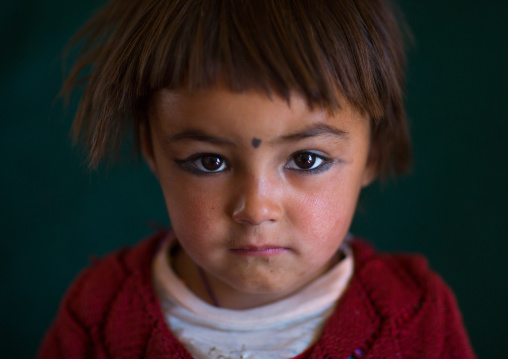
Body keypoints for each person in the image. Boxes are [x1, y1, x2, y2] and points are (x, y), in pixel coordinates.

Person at [39, 0, 475, 358]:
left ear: (373, 154)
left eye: (306, 160)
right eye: (209, 162)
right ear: (153, 151)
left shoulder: (420, 319)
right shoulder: (100, 314)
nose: (255, 209)